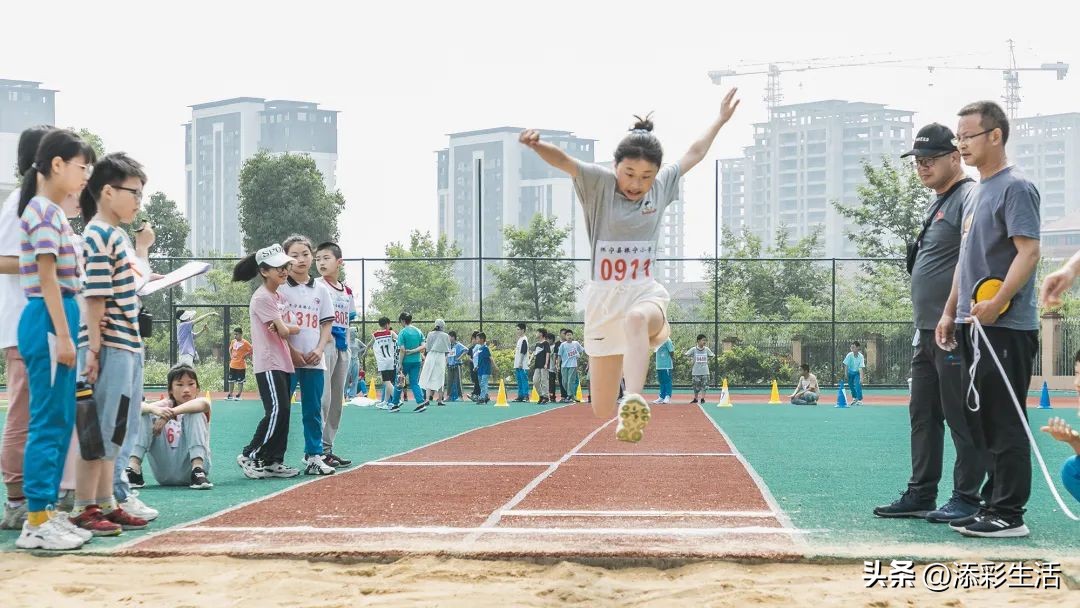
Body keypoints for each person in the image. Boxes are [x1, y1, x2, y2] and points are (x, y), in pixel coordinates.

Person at [518, 88, 740, 441]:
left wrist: (720, 119)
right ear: (615, 166)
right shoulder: (598, 184)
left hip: (643, 292)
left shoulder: (661, 186)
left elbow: (694, 153)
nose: (638, 183)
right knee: (600, 407)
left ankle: (634, 401)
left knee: (638, 319)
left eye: (646, 176)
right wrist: (536, 144)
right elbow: (564, 161)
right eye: (630, 173)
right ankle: (619, 403)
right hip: (603, 302)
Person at [935, 100, 1041, 538]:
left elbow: (1029, 252)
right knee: (979, 418)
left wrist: (997, 302)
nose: (961, 145)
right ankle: (990, 505)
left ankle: (1009, 514)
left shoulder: (1016, 187)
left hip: (1004, 326)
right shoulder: (977, 193)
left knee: (1004, 419)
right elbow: (966, 259)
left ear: (995, 135)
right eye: (958, 137)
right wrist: (949, 311)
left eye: (967, 136)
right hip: (972, 324)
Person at [875, 123, 987, 523]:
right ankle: (921, 492)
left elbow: (970, 259)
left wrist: (951, 313)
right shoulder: (937, 202)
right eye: (918, 162)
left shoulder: (968, 197)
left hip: (953, 329)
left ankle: (967, 497)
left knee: (961, 415)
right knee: (922, 414)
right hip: (926, 331)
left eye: (930, 160)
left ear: (955, 157)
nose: (922, 167)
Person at [14, 129, 96, 550]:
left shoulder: (54, 212)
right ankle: (36, 520)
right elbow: (47, 277)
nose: (86, 176)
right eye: (82, 167)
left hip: (59, 314)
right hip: (48, 317)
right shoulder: (42, 211)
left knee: (62, 418)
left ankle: (47, 512)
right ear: (58, 164)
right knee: (48, 421)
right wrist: (63, 335)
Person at [71, 153, 160, 537]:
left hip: (127, 342)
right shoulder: (97, 234)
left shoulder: (117, 236)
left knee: (117, 427)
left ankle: (106, 501)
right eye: (134, 193)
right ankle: (84, 506)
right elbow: (94, 294)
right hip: (107, 345)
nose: (139, 201)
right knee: (100, 426)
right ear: (108, 191)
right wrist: (92, 348)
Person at [0, 125, 51, 533]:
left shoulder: (45, 206)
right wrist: (49, 264)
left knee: (43, 416)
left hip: (44, 323)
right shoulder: (21, 203)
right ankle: (16, 501)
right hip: (22, 325)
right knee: (23, 416)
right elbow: (3, 258)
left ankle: (41, 497)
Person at [233, 244, 301, 480]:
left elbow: (292, 327)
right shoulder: (262, 298)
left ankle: (273, 460)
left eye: (285, 266)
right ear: (263, 271)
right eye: (277, 268)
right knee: (276, 411)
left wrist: (285, 327)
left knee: (284, 412)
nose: (283, 271)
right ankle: (250, 454)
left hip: (283, 362)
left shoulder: (279, 296)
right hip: (269, 362)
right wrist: (284, 327)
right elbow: (284, 330)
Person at [279, 235, 335, 476]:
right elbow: (276, 326)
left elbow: (326, 325)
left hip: (314, 360)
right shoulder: (280, 288)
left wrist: (320, 349)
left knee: (313, 410)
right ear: (285, 258)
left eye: (305, 254)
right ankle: (272, 458)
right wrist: (292, 353)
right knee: (280, 410)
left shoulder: (321, 289)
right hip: (286, 360)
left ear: (312, 256)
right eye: (294, 255)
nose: (301, 259)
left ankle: (314, 456)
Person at [126, 365, 213, 490]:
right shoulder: (165, 404)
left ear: (198, 389)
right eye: (180, 385)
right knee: (143, 413)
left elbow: (204, 404)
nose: (186, 389)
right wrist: (153, 409)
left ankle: (197, 470)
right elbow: (133, 408)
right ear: (170, 390)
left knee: (194, 413)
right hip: (164, 471)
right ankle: (134, 468)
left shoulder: (200, 403)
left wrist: (168, 415)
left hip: (189, 469)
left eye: (191, 384)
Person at [314, 242, 355, 468]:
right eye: (318, 258)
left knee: (337, 401)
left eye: (326, 258)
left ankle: (328, 448)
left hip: (342, 346)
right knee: (324, 399)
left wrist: (345, 345)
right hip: (324, 345)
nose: (321, 262)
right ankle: (315, 450)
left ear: (339, 262)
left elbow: (349, 317)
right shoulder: (316, 286)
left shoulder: (346, 291)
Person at [367, 317, 398, 408]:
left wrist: (365, 352)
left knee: (387, 382)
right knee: (389, 383)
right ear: (387, 324)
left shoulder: (375, 334)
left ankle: (397, 399)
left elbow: (369, 344)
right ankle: (385, 401)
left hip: (382, 361)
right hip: (391, 360)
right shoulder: (391, 333)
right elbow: (399, 340)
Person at [420, 320, 451, 407]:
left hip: (431, 355)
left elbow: (428, 347)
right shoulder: (445, 335)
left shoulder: (430, 334)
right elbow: (448, 348)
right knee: (440, 378)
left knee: (428, 376)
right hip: (440, 357)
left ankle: (427, 399)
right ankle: (440, 400)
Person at [683, 335, 715, 405]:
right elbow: (686, 354)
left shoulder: (706, 349)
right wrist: (688, 357)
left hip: (705, 371)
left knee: (704, 386)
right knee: (696, 386)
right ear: (698, 341)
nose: (704, 342)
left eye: (705, 340)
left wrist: (709, 359)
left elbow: (712, 355)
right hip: (696, 372)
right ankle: (695, 398)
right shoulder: (694, 349)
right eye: (703, 340)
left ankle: (703, 398)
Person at [559, 329, 585, 404]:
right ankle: (571, 395)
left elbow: (581, 350)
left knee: (571, 381)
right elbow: (559, 355)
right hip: (564, 365)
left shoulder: (576, 343)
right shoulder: (563, 345)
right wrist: (558, 365)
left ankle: (569, 395)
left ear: (572, 336)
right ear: (565, 336)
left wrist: (578, 357)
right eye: (567, 335)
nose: (569, 336)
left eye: (570, 335)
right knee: (565, 381)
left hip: (573, 365)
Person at [226, 327, 252, 400]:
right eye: (234, 334)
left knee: (240, 381)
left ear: (240, 334)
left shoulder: (245, 343)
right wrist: (231, 356)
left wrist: (246, 355)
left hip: (241, 366)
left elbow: (252, 349)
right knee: (231, 380)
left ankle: (238, 395)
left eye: (236, 334)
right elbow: (230, 349)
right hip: (232, 365)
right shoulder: (233, 341)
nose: (235, 336)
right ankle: (230, 394)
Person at [445, 331, 467, 402]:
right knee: (449, 381)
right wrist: (446, 362)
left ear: (453, 337)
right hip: (450, 366)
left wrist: (460, 357)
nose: (448, 339)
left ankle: (460, 397)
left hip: (457, 365)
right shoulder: (448, 346)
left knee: (458, 381)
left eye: (449, 337)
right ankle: (448, 396)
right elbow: (447, 355)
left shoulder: (458, 345)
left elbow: (466, 350)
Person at [842, 342, 866, 406]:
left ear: (858, 348)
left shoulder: (861, 356)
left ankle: (859, 400)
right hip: (850, 372)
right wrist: (846, 374)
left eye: (853, 347)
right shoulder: (849, 355)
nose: (852, 349)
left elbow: (861, 368)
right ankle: (854, 398)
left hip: (857, 373)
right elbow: (846, 365)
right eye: (851, 347)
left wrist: (861, 378)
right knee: (851, 386)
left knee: (858, 385)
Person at [531, 329, 551, 404]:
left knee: (544, 380)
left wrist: (546, 363)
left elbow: (547, 353)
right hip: (537, 365)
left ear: (541, 334)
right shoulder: (537, 344)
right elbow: (534, 353)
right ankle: (541, 395)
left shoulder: (546, 343)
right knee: (535, 381)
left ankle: (546, 397)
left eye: (537, 332)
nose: (536, 334)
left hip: (544, 365)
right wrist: (530, 361)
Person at [345, 326, 365, 399]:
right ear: (351, 333)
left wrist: (358, 351)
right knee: (346, 376)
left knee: (355, 377)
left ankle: (352, 395)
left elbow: (364, 347)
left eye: (356, 331)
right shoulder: (346, 340)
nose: (356, 333)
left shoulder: (357, 341)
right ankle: (344, 393)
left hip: (356, 360)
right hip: (349, 360)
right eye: (355, 331)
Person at [652, 338, 674, 405]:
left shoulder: (667, 339)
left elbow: (671, 351)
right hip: (659, 365)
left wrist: (671, 360)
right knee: (661, 381)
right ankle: (661, 397)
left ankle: (667, 396)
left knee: (667, 381)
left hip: (666, 365)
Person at [473, 332, 494, 404]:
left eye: (477, 338)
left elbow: (490, 358)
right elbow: (479, 359)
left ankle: (482, 398)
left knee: (483, 383)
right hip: (480, 370)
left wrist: (495, 366)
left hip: (485, 370)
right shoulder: (479, 349)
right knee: (481, 384)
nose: (476, 340)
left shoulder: (485, 348)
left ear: (482, 339)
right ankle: (486, 396)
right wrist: (476, 367)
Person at [512, 323, 530, 402]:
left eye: (518, 329)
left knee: (524, 380)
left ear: (523, 330)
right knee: (519, 380)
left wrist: (520, 363)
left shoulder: (524, 339)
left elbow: (523, 352)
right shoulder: (519, 339)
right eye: (517, 329)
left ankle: (526, 396)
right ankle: (520, 396)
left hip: (522, 365)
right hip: (518, 364)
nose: (517, 331)